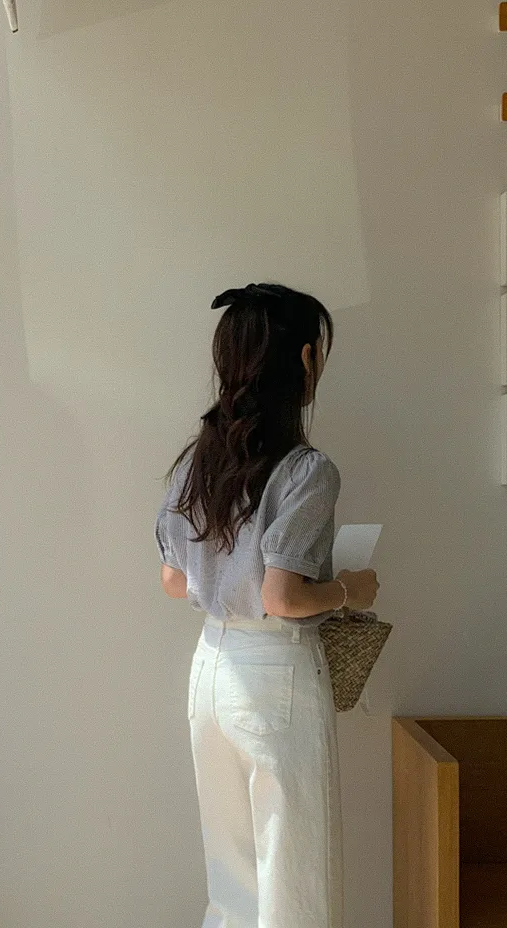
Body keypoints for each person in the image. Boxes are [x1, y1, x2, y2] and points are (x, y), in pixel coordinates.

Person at [155, 282, 379, 928]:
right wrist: (350, 589)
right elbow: (283, 598)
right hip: (276, 676)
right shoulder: (308, 471)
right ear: (305, 359)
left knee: (232, 883)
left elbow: (174, 581)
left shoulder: (196, 462)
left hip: (210, 671)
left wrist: (226, 576)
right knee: (295, 878)